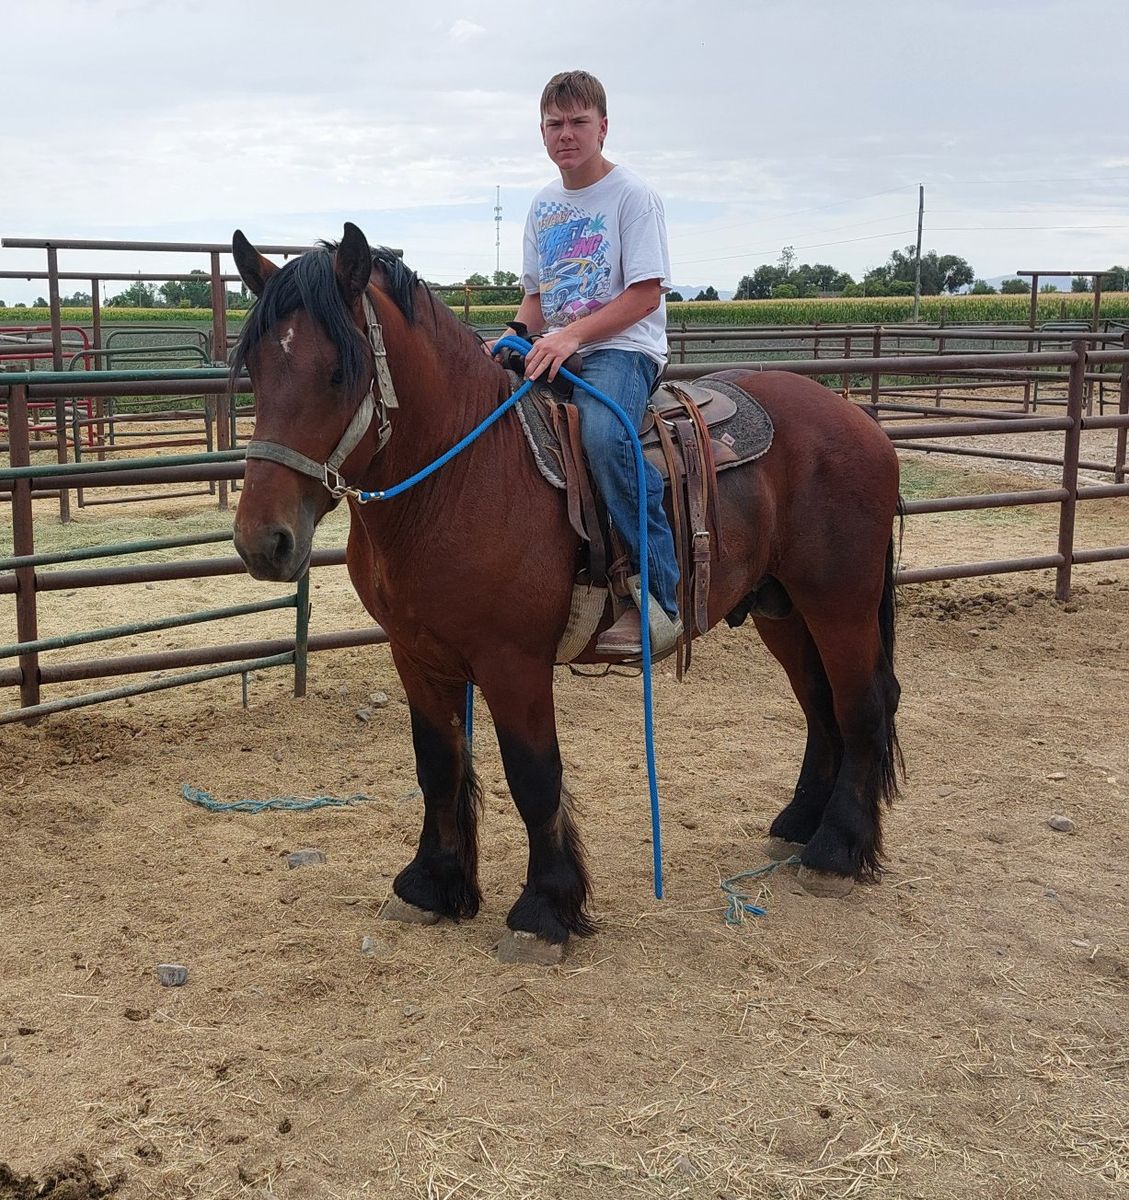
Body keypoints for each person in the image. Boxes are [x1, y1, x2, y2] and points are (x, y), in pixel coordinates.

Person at [488, 69, 681, 658]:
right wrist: (513, 336)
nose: (564, 133)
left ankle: (657, 593)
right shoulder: (543, 205)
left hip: (622, 350)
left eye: (577, 122)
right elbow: (538, 299)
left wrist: (570, 337)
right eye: (554, 123)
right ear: (541, 133)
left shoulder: (632, 196)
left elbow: (646, 295)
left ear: (602, 127)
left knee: (603, 434)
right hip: (556, 345)